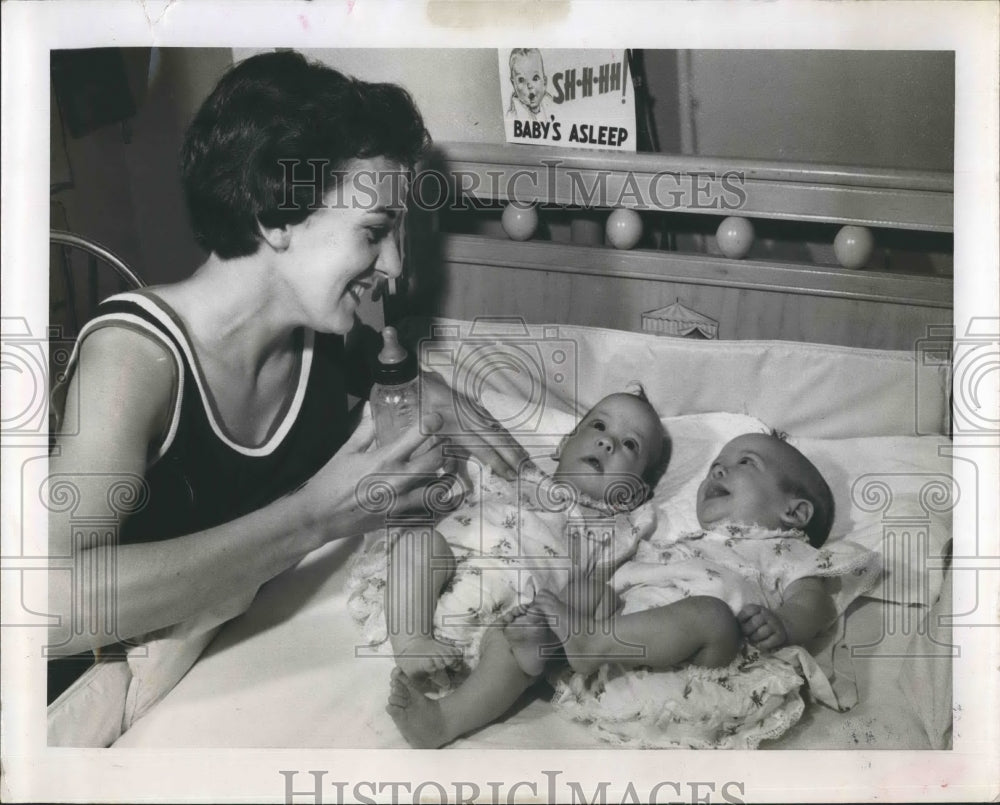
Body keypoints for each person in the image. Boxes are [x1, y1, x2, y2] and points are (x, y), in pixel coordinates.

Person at [46, 51, 527, 719]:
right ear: (275, 215)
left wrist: (425, 388)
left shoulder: (323, 346)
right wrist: (313, 516)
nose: (395, 268)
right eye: (375, 232)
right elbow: (43, 603)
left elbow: (403, 385)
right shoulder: (134, 360)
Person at [510, 432, 881, 749]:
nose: (718, 470)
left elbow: (814, 605)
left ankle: (587, 645)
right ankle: (543, 648)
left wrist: (783, 624)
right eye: (715, 465)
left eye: (746, 463)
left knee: (711, 615)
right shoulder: (683, 542)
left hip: (704, 666)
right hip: (622, 660)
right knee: (592, 591)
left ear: (794, 513)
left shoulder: (789, 551)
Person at [348, 389, 670, 748]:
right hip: (436, 582)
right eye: (598, 426)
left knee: (527, 648)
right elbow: (460, 451)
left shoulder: (619, 532)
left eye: (630, 445)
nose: (608, 443)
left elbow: (627, 583)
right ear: (562, 445)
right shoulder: (517, 472)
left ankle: (444, 719)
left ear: (636, 493)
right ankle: (411, 641)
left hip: (506, 623)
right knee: (418, 542)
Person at [506, 48, 555, 123]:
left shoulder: (551, 107)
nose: (529, 86)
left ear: (544, 82)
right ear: (514, 84)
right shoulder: (513, 118)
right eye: (521, 80)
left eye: (535, 78)